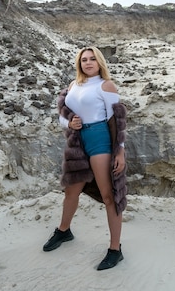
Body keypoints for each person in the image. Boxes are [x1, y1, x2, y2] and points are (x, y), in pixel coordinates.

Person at [43, 46, 128, 271]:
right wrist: (69, 123)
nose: (88, 63)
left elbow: (117, 120)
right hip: (77, 141)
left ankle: (115, 250)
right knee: (71, 191)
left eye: (92, 59)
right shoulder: (73, 86)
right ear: (79, 64)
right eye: (83, 60)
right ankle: (64, 231)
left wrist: (120, 150)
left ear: (99, 62)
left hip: (100, 138)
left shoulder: (105, 85)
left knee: (109, 195)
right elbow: (62, 115)